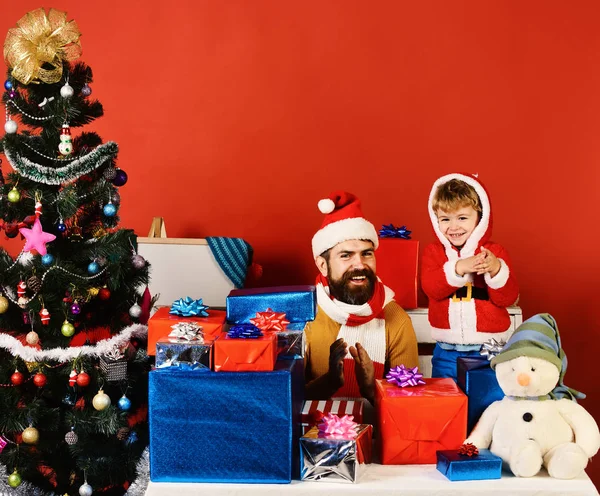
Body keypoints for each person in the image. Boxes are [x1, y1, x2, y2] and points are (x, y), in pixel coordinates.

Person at [304, 191, 419, 404]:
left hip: (377, 434)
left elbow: (408, 406)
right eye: (346, 255)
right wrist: (329, 382)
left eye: (367, 253)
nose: (359, 264)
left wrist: (371, 390)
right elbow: (285, 402)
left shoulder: (397, 320)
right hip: (314, 433)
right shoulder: (305, 315)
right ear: (322, 265)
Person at [421, 173, 519, 380]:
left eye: (462, 218)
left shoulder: (495, 252)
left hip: (488, 348)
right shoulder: (433, 252)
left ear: (480, 218)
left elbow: (507, 298)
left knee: (488, 401)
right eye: (445, 219)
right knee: (448, 402)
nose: (454, 227)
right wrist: (459, 267)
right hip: (446, 350)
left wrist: (495, 270)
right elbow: (431, 287)